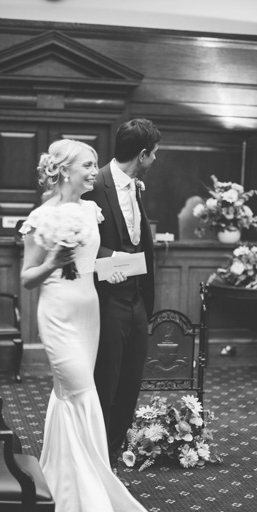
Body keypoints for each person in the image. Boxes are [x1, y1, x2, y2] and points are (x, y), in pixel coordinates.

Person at [20, 140, 151, 512]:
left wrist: (112, 269)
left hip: (89, 309)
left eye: (95, 164)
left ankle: (68, 481)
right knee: (79, 391)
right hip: (57, 312)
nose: (95, 170)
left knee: (78, 394)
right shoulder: (40, 217)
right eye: (88, 165)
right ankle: (92, 492)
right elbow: (26, 278)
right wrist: (50, 263)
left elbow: (91, 261)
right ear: (64, 171)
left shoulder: (89, 210)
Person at [90, 119, 161, 461]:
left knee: (131, 383)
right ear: (143, 154)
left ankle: (113, 452)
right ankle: (95, 458)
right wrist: (110, 258)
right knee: (106, 381)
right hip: (105, 299)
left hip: (136, 298)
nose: (155, 161)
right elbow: (73, 240)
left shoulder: (136, 184)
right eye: (154, 155)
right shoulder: (93, 183)